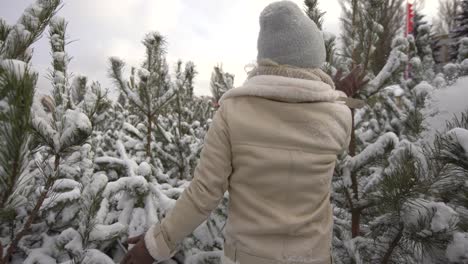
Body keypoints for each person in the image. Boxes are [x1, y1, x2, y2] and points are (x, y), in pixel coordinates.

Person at [120, 1, 367, 263]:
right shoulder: (338, 116)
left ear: (265, 56)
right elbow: (335, 133)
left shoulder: (232, 112)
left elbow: (203, 194)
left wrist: (154, 245)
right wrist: (339, 95)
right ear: (315, 57)